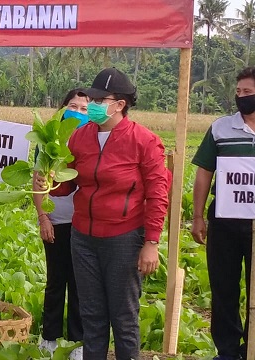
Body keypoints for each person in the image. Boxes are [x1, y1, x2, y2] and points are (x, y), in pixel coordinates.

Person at [45, 68, 171, 359]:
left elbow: (157, 194)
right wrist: (50, 185)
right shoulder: (80, 137)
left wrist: (151, 242)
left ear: (119, 105)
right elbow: (69, 185)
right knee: (91, 315)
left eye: (100, 100)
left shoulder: (144, 141)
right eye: (92, 98)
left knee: (124, 317)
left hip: (124, 237)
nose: (93, 104)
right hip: (83, 237)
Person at [191, 67, 255, 360]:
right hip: (225, 222)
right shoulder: (220, 129)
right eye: (239, 92)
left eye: (248, 92)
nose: (242, 97)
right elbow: (204, 172)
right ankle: (228, 352)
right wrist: (198, 216)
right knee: (223, 288)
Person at [32, 89, 88, 359]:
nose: (77, 113)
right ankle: (49, 338)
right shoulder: (48, 141)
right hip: (55, 221)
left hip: (83, 224)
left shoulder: (91, 141)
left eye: (84, 109)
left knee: (79, 283)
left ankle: (77, 343)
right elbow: (36, 181)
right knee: (56, 280)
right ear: (63, 107)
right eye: (73, 106)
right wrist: (43, 217)